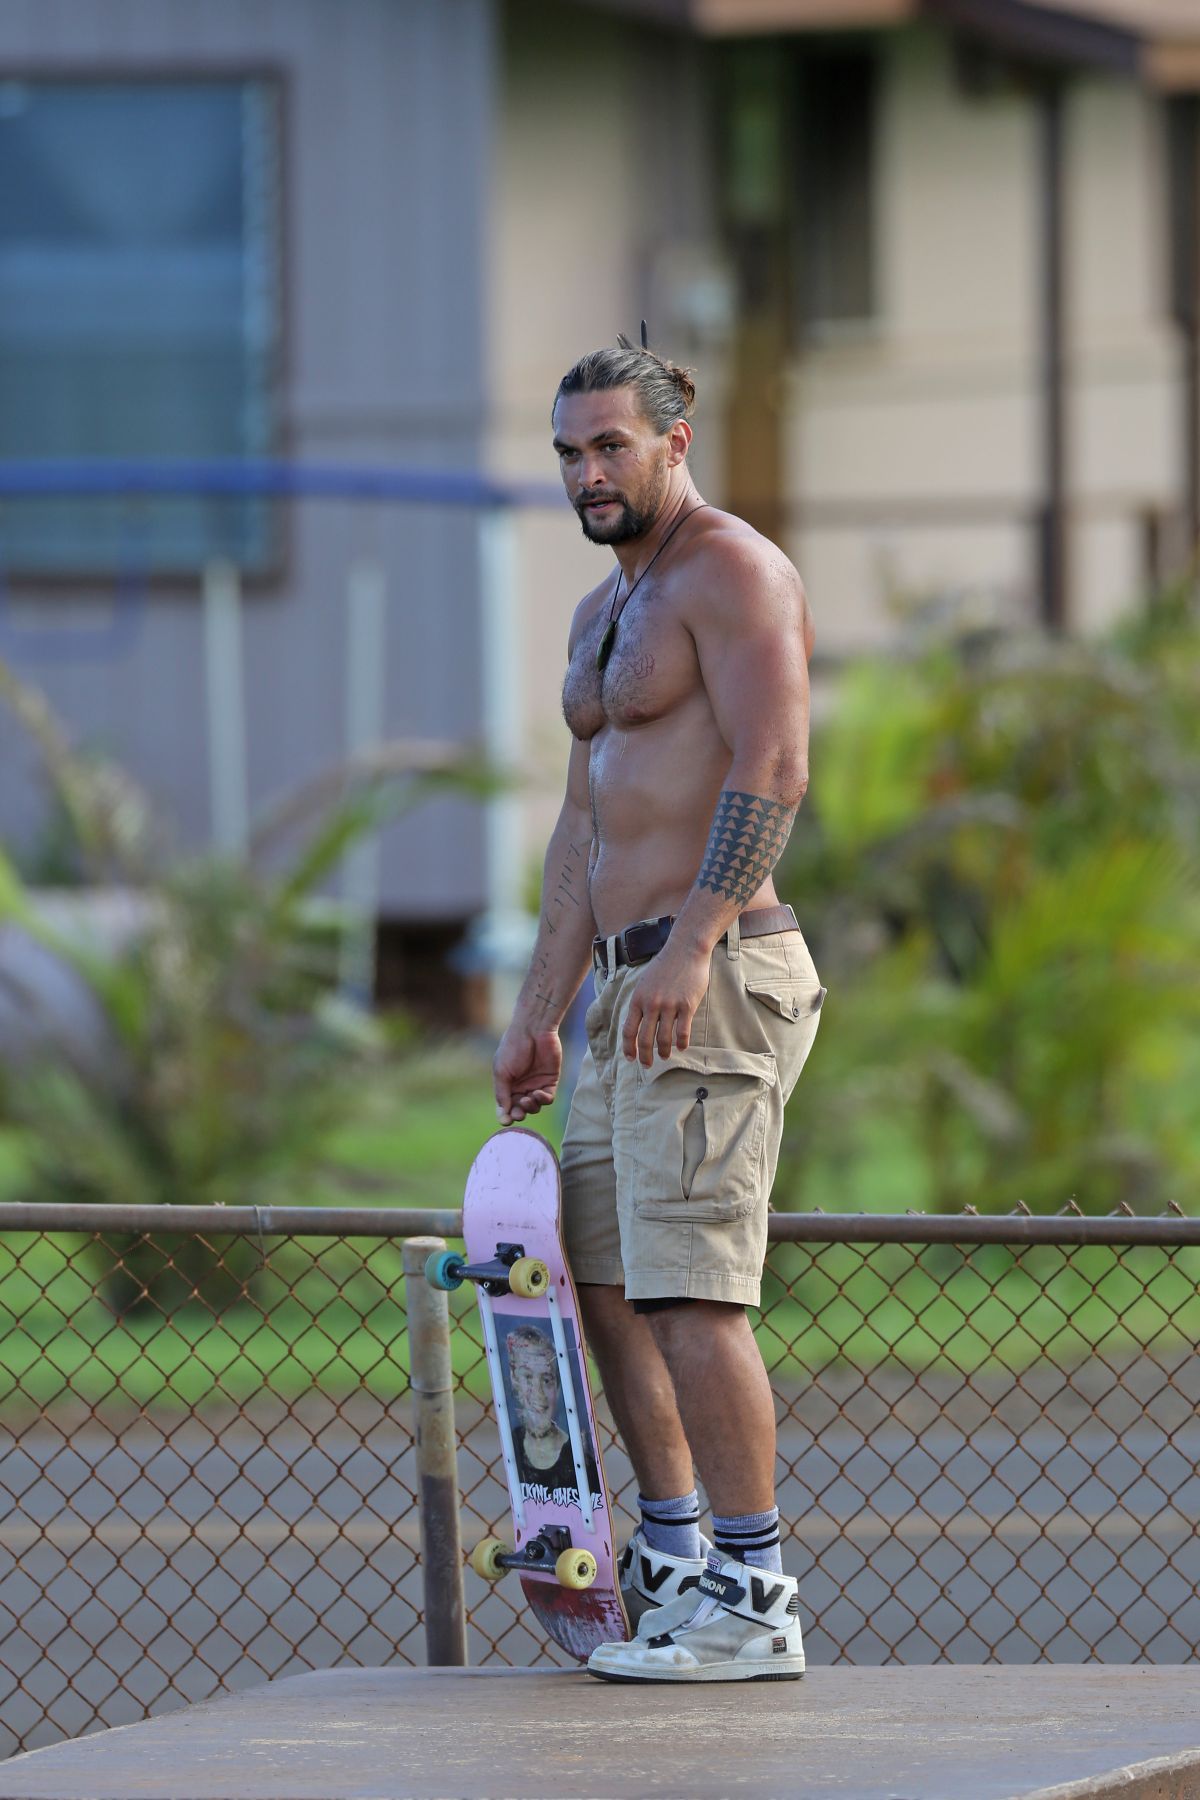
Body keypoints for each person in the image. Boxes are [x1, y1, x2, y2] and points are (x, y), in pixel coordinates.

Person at [492, 337, 825, 1683]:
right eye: (569, 450)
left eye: (610, 446)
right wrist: (538, 1011)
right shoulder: (602, 614)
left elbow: (776, 765)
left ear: (674, 444)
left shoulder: (734, 572)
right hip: (624, 983)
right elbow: (582, 829)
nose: (587, 471)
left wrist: (692, 941)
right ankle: (678, 1563)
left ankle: (753, 1596)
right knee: (608, 1291)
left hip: (719, 973)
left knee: (693, 1296)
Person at [506, 1322, 600, 1501]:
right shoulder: (513, 1444)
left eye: (547, 1380)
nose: (538, 1393)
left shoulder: (580, 1456)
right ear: (514, 1379)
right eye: (527, 1377)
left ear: (557, 1386)